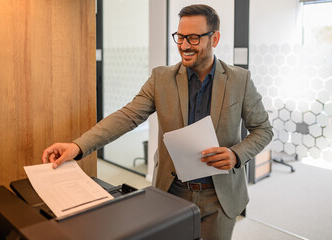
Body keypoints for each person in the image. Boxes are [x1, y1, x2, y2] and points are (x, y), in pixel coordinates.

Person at [42, 4, 273, 240]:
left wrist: (236, 155)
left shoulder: (239, 80)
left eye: (193, 38)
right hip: (172, 191)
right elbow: (127, 116)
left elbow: (263, 130)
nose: (184, 46)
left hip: (221, 196)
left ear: (215, 39)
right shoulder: (161, 78)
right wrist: (78, 146)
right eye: (180, 37)